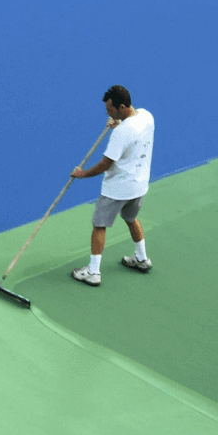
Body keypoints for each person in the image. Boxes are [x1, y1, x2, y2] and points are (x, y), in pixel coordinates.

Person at [68, 85, 154, 287]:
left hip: (117, 189)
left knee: (99, 225)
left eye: (110, 109)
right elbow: (134, 134)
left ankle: (93, 272)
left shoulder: (121, 133)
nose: (107, 113)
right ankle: (142, 259)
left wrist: (82, 174)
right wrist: (119, 123)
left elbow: (105, 164)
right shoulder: (147, 116)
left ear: (122, 107)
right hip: (139, 186)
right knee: (131, 218)